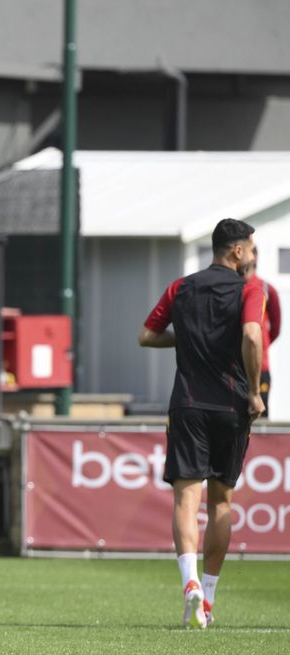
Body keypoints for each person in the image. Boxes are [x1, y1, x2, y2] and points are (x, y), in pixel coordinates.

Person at [139, 218, 264, 630]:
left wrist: (190, 336)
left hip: (188, 405)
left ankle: (188, 583)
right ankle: (207, 597)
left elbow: (146, 335)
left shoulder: (181, 287)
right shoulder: (250, 288)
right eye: (249, 247)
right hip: (231, 406)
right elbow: (250, 334)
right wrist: (256, 392)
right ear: (237, 251)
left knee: (184, 501)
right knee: (221, 502)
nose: (249, 254)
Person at [242, 250, 281, 417]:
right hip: (235, 367)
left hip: (260, 366)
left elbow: (276, 327)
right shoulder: (233, 287)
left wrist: (258, 346)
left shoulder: (266, 288)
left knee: (260, 414)